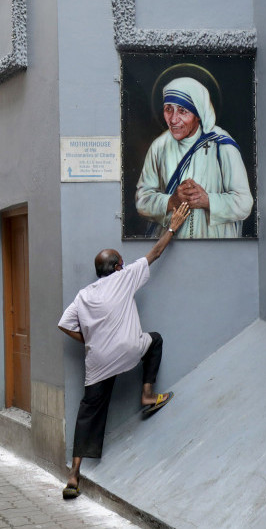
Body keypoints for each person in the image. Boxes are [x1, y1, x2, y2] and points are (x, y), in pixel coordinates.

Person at [57, 202, 191, 500]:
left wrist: (88, 340)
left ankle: (73, 476)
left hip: (99, 363)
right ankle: (146, 394)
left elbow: (64, 325)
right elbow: (155, 253)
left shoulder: (83, 295)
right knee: (154, 341)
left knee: (88, 413)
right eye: (120, 262)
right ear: (117, 266)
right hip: (130, 352)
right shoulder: (125, 276)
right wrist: (173, 225)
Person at [135, 76, 253, 238]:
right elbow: (142, 201)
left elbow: (245, 203)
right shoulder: (159, 147)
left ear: (198, 114)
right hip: (170, 247)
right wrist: (171, 201)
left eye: (183, 111)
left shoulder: (222, 145)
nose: (173, 119)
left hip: (215, 246)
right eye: (168, 109)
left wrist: (207, 200)